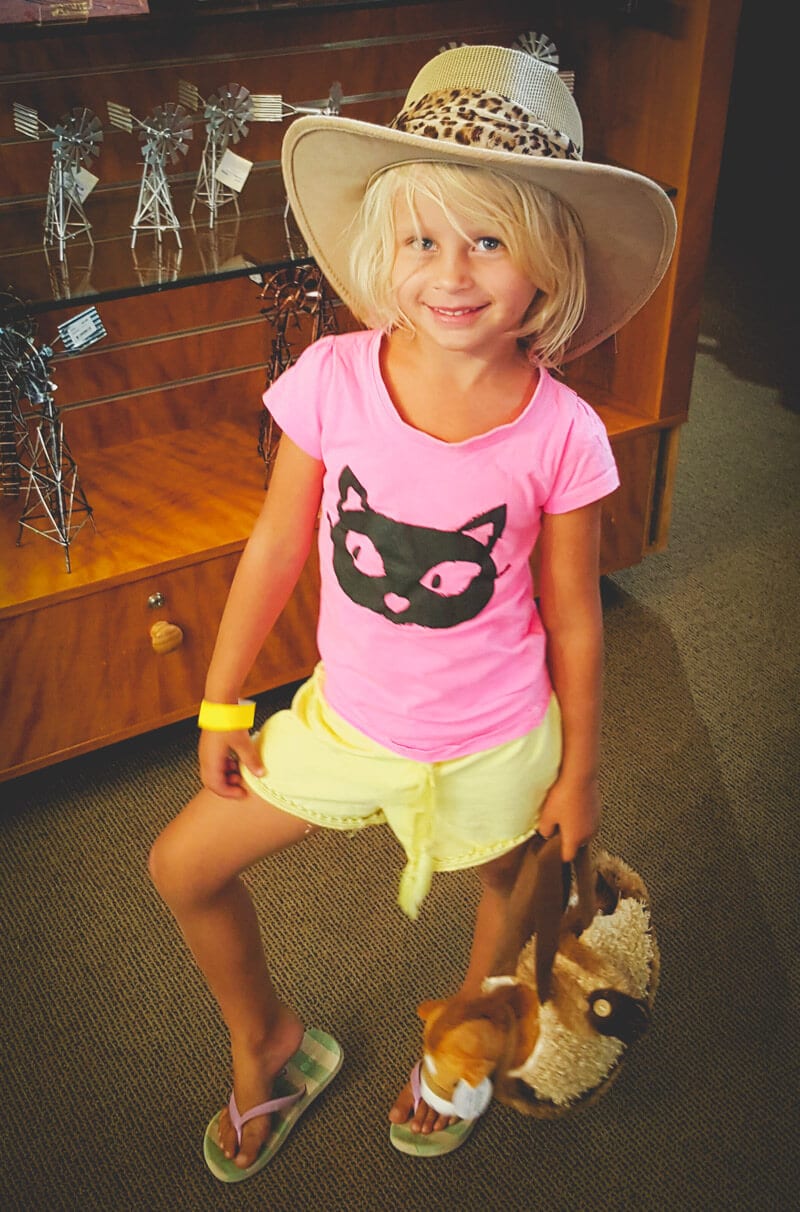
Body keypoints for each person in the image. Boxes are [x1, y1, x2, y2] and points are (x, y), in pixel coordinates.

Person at [148, 43, 676, 1179]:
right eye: (422, 238)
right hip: (347, 726)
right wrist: (222, 699)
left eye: (489, 239)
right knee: (182, 865)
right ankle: (271, 1047)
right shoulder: (333, 379)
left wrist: (580, 772)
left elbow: (575, 618)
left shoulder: (561, 433)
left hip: (500, 740)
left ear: (549, 262)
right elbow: (279, 542)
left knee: (504, 910)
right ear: (383, 251)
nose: (452, 271)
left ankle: (460, 1057)